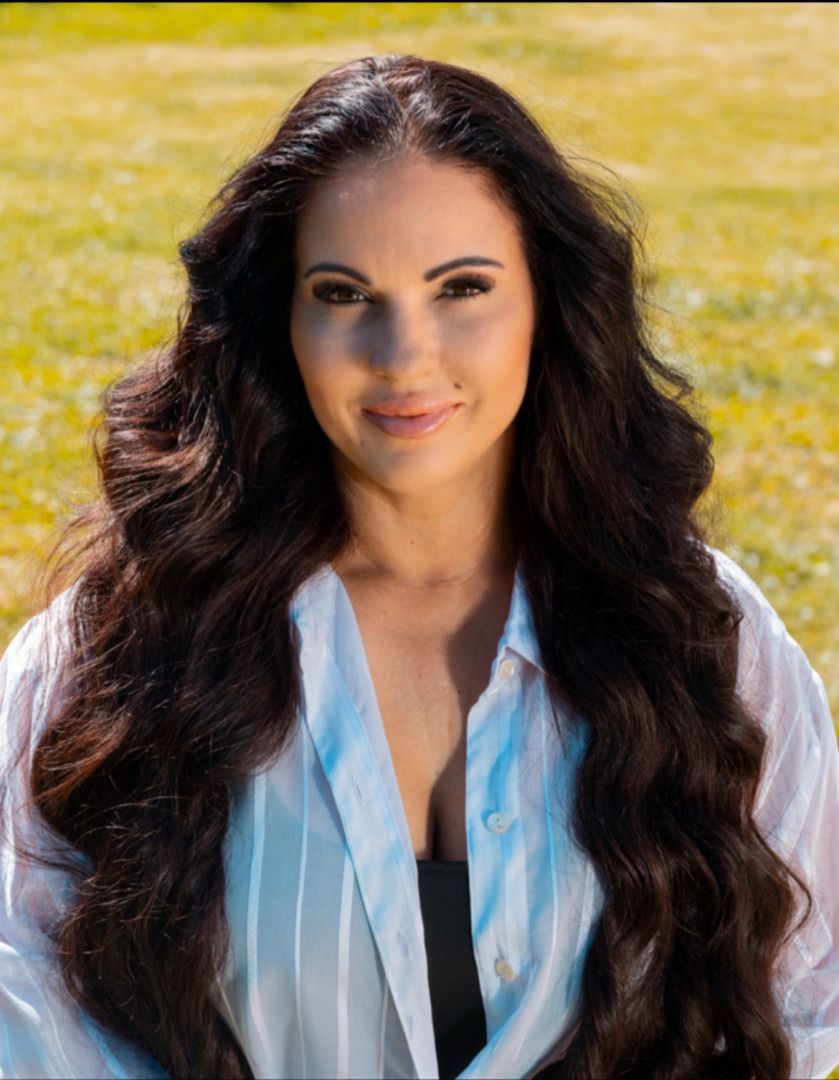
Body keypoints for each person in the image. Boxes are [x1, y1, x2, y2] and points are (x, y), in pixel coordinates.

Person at [0, 52, 837, 1080]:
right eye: (344, 292)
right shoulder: (114, 649)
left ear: (546, 304)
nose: (403, 355)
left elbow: (789, 1003)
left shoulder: (706, 639)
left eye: (462, 288)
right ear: (281, 318)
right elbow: (33, 1021)